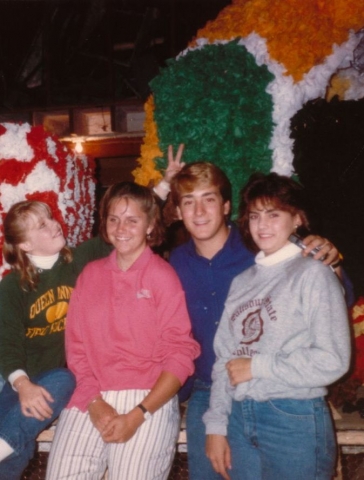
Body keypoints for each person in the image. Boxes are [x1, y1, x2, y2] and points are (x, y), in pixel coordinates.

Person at [0, 154, 183, 479]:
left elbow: (128, 222)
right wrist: (22, 383)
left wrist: (165, 185)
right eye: (42, 225)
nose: (54, 224)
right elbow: (7, 342)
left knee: (58, 384)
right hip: (16, 374)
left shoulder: (77, 261)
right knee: (21, 423)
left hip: (60, 377)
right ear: (26, 244)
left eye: (50, 217)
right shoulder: (14, 285)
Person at [167, 153, 345, 480]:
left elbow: (331, 296)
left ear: (226, 207)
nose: (199, 211)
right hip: (211, 391)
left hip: (283, 395)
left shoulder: (263, 250)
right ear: (178, 212)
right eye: (189, 202)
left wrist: (330, 258)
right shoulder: (174, 263)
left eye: (209, 199)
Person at [46, 182, 200, 480]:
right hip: (90, 392)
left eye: (132, 220)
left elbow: (180, 354)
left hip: (146, 395)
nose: (121, 228)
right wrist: (93, 401)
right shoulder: (90, 275)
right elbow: (76, 347)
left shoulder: (162, 276)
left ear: (151, 224)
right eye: (114, 219)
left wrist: (138, 414)